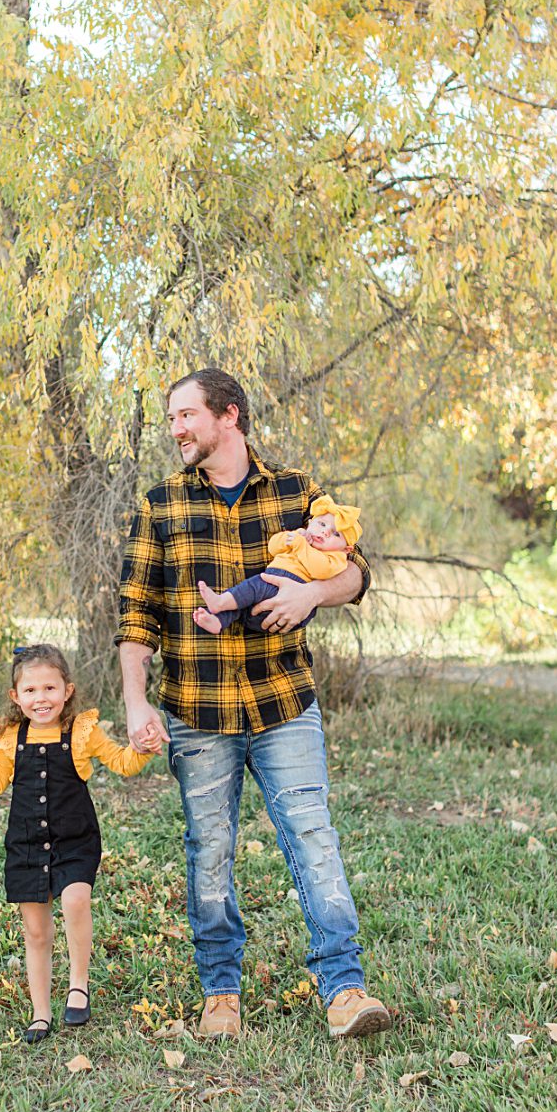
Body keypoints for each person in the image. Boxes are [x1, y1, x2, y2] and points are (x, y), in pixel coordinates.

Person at [117, 367, 392, 1041]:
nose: (176, 428)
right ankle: (220, 993)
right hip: (196, 710)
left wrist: (308, 596)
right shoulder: (161, 504)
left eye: (186, 415)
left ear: (228, 414)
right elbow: (135, 615)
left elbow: (355, 572)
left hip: (283, 703)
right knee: (209, 849)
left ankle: (345, 989)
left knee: (314, 839)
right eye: (172, 418)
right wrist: (133, 703)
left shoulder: (299, 492)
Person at [0, 644, 151, 1043]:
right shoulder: (10, 735)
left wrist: (142, 748)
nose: (42, 699)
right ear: (15, 697)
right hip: (27, 843)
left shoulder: (83, 732)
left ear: (67, 690)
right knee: (35, 932)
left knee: (74, 899)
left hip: (75, 839)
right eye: (32, 691)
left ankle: (78, 983)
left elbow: (122, 762)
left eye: (50, 688)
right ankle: (40, 1013)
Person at [194, 497, 362, 634]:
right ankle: (217, 621)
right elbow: (273, 547)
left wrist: (300, 545)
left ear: (346, 549)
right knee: (242, 605)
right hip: (266, 601)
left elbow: (320, 569)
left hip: (291, 591)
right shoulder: (300, 537)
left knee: (253, 587)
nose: (325, 532)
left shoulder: (336, 557)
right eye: (322, 524)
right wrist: (292, 536)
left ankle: (220, 601)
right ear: (310, 523)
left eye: (336, 534)